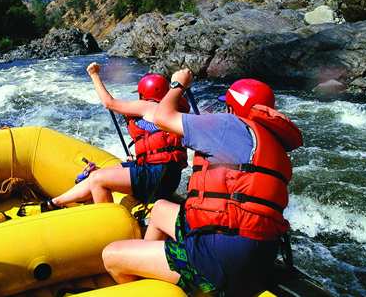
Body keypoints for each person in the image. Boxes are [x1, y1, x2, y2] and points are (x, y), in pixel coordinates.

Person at [101, 69, 303, 296]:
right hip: (260, 255)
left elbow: (162, 118)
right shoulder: (272, 146)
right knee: (159, 210)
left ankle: (150, 280)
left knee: (112, 255)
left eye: (227, 105)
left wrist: (178, 85)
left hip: (218, 259)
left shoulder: (227, 125)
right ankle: (150, 264)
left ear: (233, 108)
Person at [42, 62, 188, 210]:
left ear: (144, 94)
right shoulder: (175, 110)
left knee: (97, 180)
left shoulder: (148, 106)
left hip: (155, 176)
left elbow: (109, 103)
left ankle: (108, 225)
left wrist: (94, 74)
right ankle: (53, 203)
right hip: (167, 177)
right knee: (97, 174)